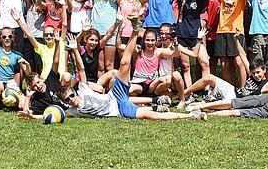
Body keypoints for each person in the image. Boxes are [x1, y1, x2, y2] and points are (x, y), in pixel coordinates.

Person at [57, 19, 207, 121]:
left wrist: (75, 50)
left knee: (123, 63)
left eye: (71, 95)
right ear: (67, 104)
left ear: (74, 91)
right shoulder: (72, 111)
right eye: (68, 100)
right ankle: (192, 116)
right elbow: (53, 114)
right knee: (150, 116)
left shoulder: (82, 90)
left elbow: (81, 69)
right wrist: (32, 115)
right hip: (119, 109)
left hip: (114, 95)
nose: (71, 99)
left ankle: (135, 29)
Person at [181, 29, 268, 105]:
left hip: (238, 100)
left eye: (258, 73)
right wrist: (236, 40)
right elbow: (243, 56)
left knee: (211, 103)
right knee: (209, 77)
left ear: (264, 70)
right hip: (233, 91)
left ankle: (202, 103)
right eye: (254, 73)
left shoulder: (267, 85)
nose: (256, 75)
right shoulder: (251, 74)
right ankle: (183, 94)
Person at [0, 0, 25, 108]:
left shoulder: (17, 54)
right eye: (4, 36)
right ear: (0, 38)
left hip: (10, 82)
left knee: (21, 105)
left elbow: (22, 72)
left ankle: (9, 101)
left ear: (13, 38)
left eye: (9, 36)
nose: (7, 39)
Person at [20, 30, 71, 117]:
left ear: (41, 79)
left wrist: (58, 43)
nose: (38, 86)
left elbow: (55, 62)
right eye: (35, 86)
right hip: (63, 113)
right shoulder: (38, 100)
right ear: (32, 88)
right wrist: (28, 97)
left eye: (38, 82)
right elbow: (26, 114)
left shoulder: (50, 79)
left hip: (69, 105)